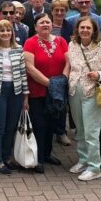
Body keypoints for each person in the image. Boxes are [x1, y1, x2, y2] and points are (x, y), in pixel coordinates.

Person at [65, 17, 101, 181]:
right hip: (74, 91)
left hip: (93, 92)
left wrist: (99, 74)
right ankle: (83, 160)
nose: (85, 31)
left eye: (88, 28)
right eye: (82, 28)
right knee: (79, 130)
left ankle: (95, 167)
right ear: (77, 29)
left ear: (94, 30)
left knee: (91, 131)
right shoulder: (73, 45)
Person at [0, 19, 28, 175]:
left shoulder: (19, 49)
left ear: (12, 33)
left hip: (16, 91)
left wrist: (25, 97)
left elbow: (23, 74)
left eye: (8, 30)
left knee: (11, 127)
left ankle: (7, 157)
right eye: (2, 30)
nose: (5, 33)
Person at [24, 12, 68, 172]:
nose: (45, 25)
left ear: (52, 25)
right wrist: (50, 84)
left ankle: (48, 154)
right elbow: (30, 68)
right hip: (38, 91)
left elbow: (68, 62)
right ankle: (38, 158)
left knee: (51, 124)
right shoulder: (30, 43)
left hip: (56, 93)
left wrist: (62, 80)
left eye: (48, 22)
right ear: (35, 27)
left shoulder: (62, 41)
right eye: (41, 23)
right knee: (39, 125)